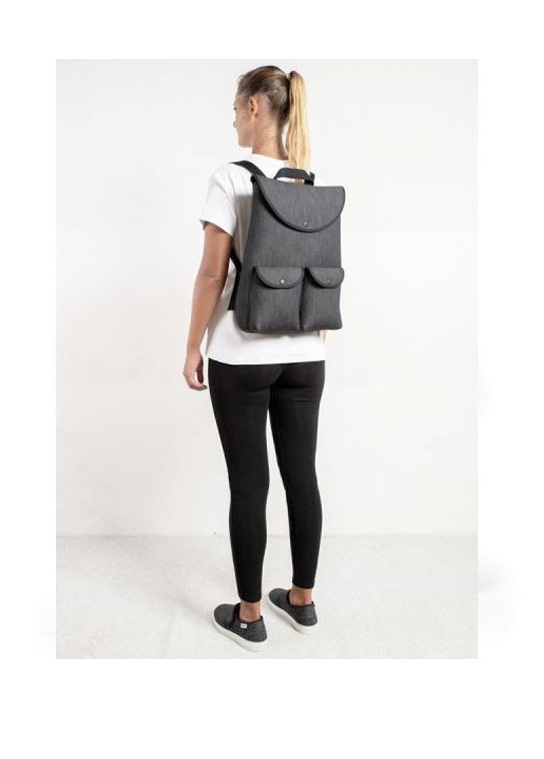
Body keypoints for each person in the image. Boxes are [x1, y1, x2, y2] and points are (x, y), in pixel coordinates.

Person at [184, 65, 327, 650]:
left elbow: (212, 273)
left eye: (235, 108)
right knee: (302, 477)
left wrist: (192, 345)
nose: (233, 120)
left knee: (249, 486)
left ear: (254, 106)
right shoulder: (307, 180)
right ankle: (302, 599)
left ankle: (248, 615)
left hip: (242, 353)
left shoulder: (229, 177)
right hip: (307, 351)